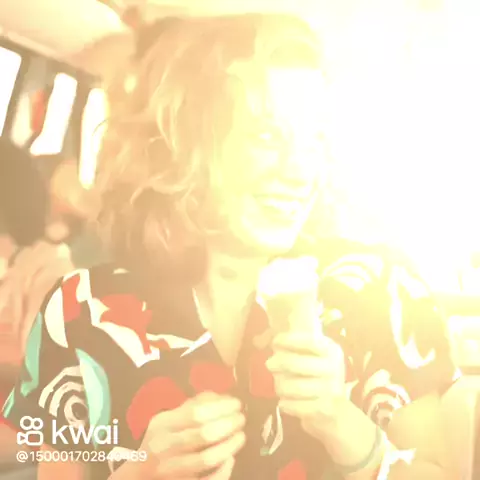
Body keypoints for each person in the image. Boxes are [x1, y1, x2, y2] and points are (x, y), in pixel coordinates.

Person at [3, 13, 459, 480]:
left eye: (314, 140)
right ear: (188, 143)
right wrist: (140, 472)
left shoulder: (382, 289)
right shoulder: (78, 311)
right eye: (266, 136)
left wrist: (342, 425)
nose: (298, 171)